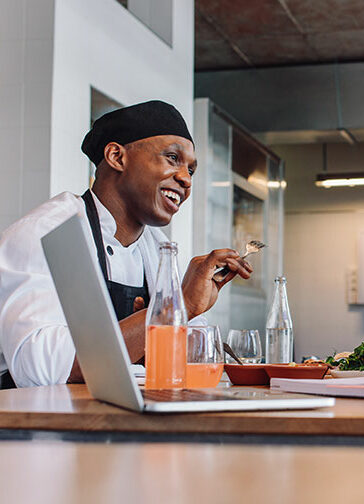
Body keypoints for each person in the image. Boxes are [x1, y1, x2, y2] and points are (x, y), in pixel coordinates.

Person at [0, 100, 252, 388]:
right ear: (117, 156)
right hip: (32, 424)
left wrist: (192, 310)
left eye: (191, 171)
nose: (185, 179)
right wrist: (177, 305)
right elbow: (40, 369)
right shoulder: (48, 233)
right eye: (172, 158)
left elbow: (194, 362)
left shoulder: (159, 249)